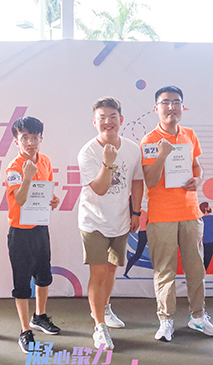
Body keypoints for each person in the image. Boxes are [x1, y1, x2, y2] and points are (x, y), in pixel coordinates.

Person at [140, 85, 213, 342]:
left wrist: (198, 180)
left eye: (176, 102)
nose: (171, 107)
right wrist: (162, 156)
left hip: (190, 212)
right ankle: (166, 320)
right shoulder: (149, 140)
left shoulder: (190, 135)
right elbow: (150, 181)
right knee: (165, 271)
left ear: (182, 106)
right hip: (161, 215)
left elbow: (197, 167)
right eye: (165, 102)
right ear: (156, 108)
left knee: (196, 268)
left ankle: (198, 316)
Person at [77, 97, 144, 350]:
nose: (108, 122)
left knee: (112, 270)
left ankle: (104, 309)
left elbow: (137, 180)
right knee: (99, 272)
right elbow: (100, 188)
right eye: (102, 118)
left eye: (112, 117)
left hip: (120, 220)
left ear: (121, 119)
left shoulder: (132, 148)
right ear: (94, 122)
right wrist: (107, 162)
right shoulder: (87, 152)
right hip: (93, 222)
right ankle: (99, 327)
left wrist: (135, 211)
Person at [5, 116, 61, 353]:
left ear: (41, 138)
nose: (30, 142)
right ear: (16, 141)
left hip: (40, 228)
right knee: (21, 283)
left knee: (43, 276)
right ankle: (25, 330)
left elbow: (46, 191)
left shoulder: (45, 161)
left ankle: (40, 316)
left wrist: (53, 200)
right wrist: (27, 176)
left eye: (34, 137)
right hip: (20, 232)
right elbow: (19, 199)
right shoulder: (14, 168)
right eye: (24, 138)